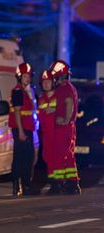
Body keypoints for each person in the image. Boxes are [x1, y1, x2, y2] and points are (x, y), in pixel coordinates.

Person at [49, 59, 81, 195]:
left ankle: (58, 184)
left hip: (64, 128)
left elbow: (69, 103)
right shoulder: (70, 87)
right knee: (68, 156)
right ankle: (72, 183)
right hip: (70, 128)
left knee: (59, 156)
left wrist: (66, 120)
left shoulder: (64, 88)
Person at [8, 62, 38, 196]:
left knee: (26, 156)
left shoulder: (25, 91)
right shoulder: (18, 91)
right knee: (23, 157)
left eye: (29, 76)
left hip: (27, 128)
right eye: (25, 76)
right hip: (22, 129)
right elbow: (17, 112)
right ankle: (22, 185)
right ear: (20, 77)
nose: (28, 78)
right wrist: (20, 131)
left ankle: (22, 185)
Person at [37, 70, 60, 194]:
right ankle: (53, 183)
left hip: (58, 133)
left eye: (48, 82)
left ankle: (59, 183)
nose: (46, 84)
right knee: (48, 158)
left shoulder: (59, 96)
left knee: (58, 159)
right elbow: (40, 116)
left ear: (53, 83)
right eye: (44, 82)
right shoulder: (41, 99)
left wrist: (55, 110)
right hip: (46, 134)